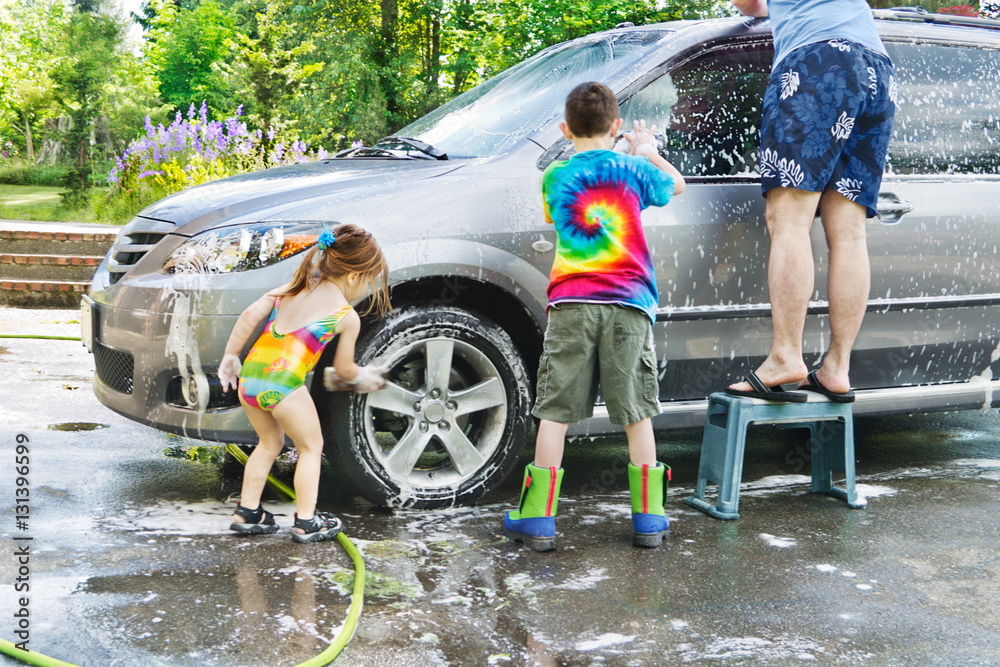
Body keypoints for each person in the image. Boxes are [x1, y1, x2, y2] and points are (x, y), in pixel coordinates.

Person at [502, 81, 685, 552]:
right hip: (629, 306)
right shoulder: (633, 169)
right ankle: (649, 519)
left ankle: (539, 519)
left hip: (572, 305)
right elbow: (675, 186)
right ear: (616, 125)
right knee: (635, 412)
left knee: (556, 412)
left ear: (565, 129)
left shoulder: (554, 177)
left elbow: (557, 217)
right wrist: (645, 151)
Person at [727, 0, 896, 403]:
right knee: (850, 232)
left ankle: (785, 356)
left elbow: (750, 4)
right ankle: (837, 367)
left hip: (818, 60)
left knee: (788, 218)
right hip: (876, 67)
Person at [217, 223, 391, 543]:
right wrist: (365, 377)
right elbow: (345, 369)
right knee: (311, 447)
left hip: (250, 379)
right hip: (283, 385)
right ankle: (307, 520)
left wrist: (231, 356)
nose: (366, 288)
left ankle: (248, 512)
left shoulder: (292, 287)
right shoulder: (345, 315)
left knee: (268, 444)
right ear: (353, 277)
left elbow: (249, 315)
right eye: (368, 281)